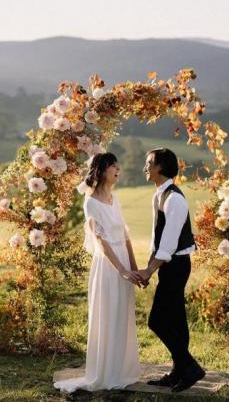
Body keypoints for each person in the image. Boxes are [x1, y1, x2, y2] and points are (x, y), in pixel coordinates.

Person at [53, 152, 144, 392]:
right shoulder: (90, 201)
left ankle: (121, 368)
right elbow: (101, 242)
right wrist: (123, 270)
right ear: (101, 170)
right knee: (108, 314)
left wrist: (134, 269)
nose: (118, 169)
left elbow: (125, 236)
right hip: (108, 265)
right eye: (113, 166)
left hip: (123, 261)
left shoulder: (114, 198)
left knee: (122, 315)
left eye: (117, 165)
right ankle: (106, 372)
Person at [136, 147, 206, 392]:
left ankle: (191, 367)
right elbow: (158, 240)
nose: (145, 167)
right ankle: (179, 372)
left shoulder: (174, 199)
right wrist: (148, 268)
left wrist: (148, 272)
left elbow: (168, 245)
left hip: (176, 265)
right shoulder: (160, 195)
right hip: (169, 264)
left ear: (161, 167)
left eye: (149, 163)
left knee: (157, 321)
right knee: (176, 320)